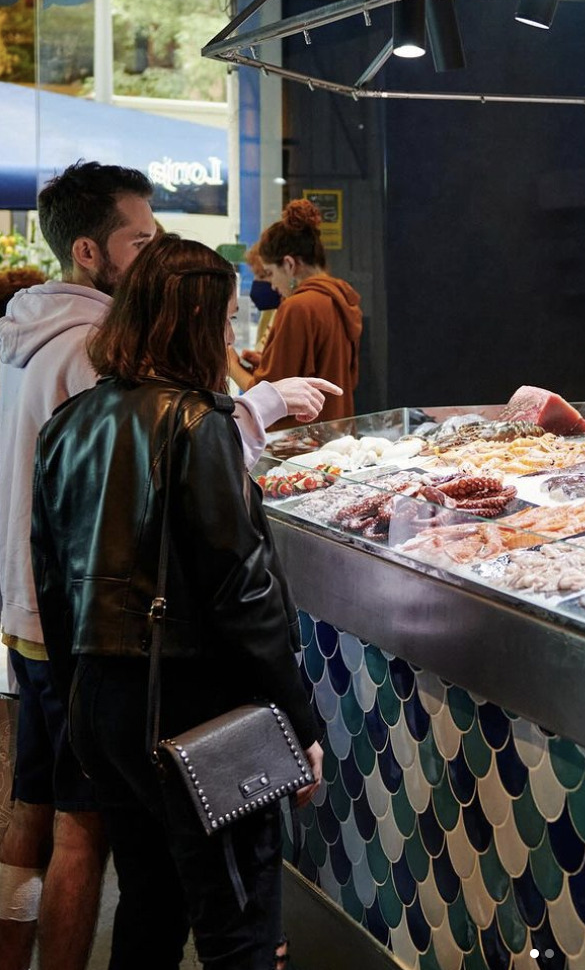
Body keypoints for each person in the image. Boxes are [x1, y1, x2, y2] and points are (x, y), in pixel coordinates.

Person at [0, 161, 337, 970]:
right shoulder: (197, 424)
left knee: (148, 905)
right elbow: (243, 591)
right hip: (189, 705)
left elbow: (51, 569)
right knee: (235, 922)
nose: (230, 339)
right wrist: (302, 720)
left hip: (101, 701)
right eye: (222, 322)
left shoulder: (75, 417)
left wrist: (80, 683)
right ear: (195, 325)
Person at [230, 199, 362, 429]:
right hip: (337, 431)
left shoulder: (298, 306)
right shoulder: (343, 298)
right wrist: (266, 362)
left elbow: (267, 397)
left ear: (290, 265)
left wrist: (229, 365)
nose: (272, 285)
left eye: (270, 273)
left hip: (301, 443)